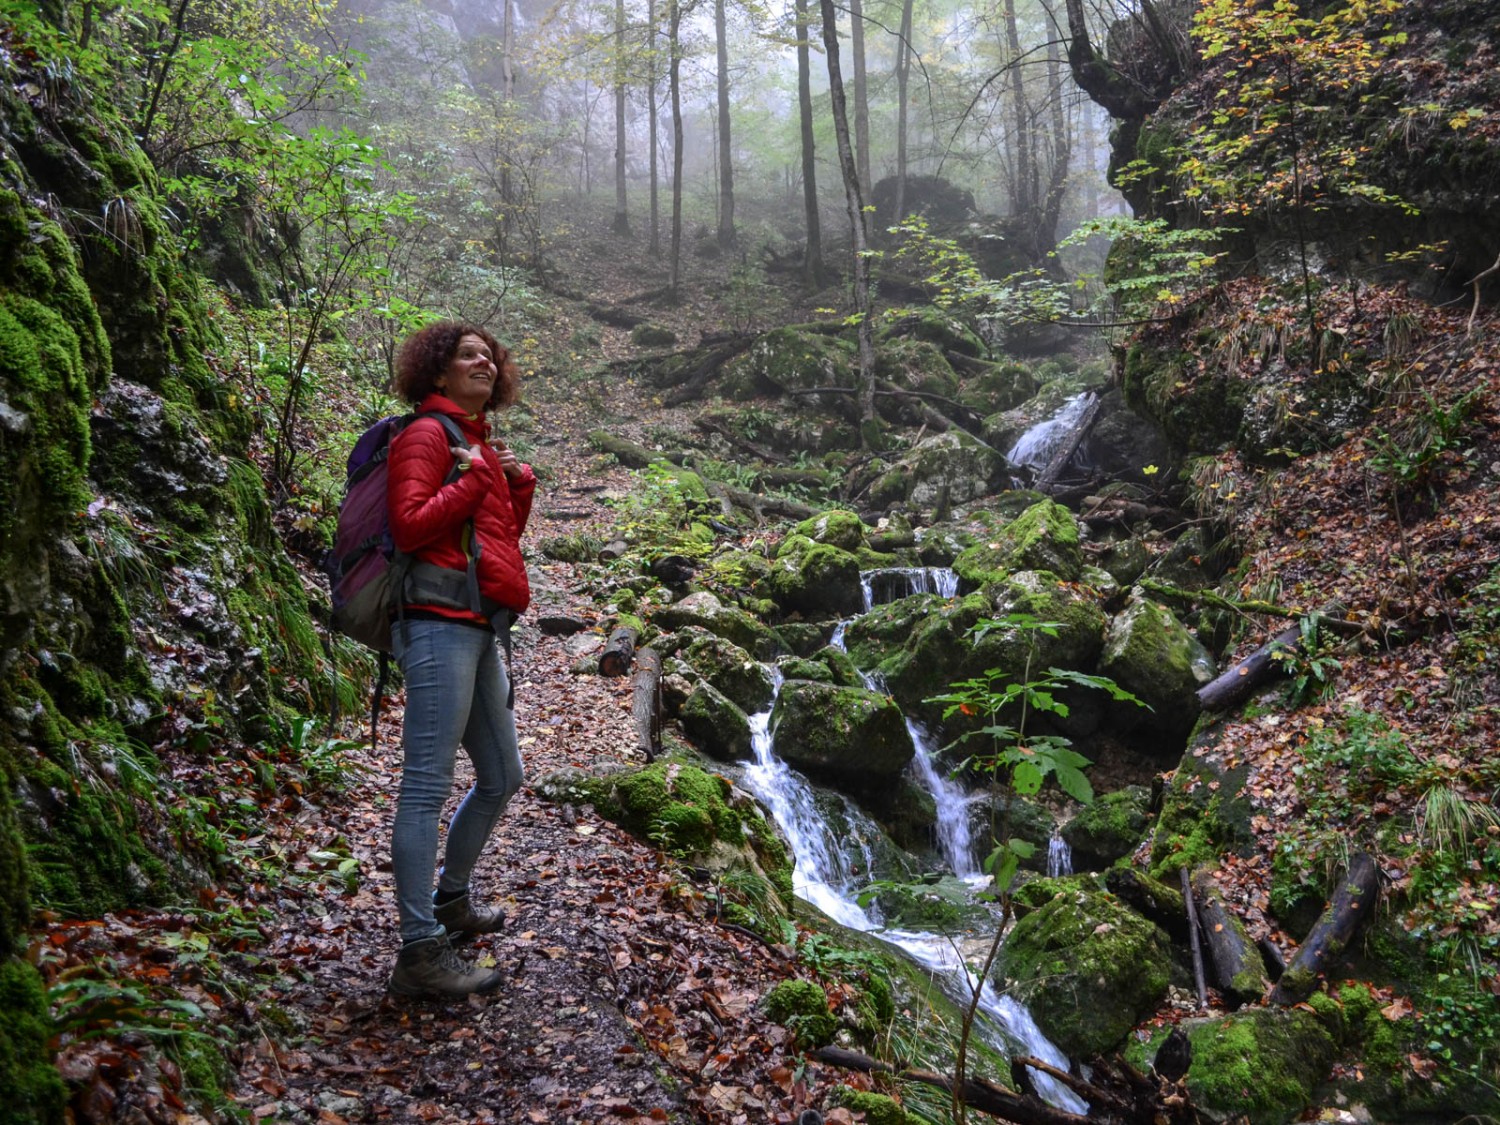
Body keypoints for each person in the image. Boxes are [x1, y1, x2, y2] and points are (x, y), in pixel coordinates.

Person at [384, 321, 535, 998]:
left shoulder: (476, 444)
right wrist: (476, 484)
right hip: (439, 625)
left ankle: (451, 901)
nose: (483, 361)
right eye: (466, 354)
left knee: (504, 774)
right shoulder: (425, 435)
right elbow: (410, 524)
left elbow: (487, 544)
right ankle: (419, 949)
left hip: (477, 624)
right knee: (425, 783)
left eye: (489, 355)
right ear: (437, 372)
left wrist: (512, 486)